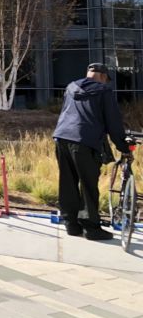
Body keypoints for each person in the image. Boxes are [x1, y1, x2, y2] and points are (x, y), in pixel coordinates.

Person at [53, 63, 133, 240]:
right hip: (85, 141)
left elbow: (65, 112)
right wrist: (123, 147)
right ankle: (91, 229)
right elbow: (113, 122)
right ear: (103, 77)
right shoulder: (104, 91)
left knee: (67, 182)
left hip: (61, 137)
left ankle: (72, 225)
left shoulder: (71, 87)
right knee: (88, 185)